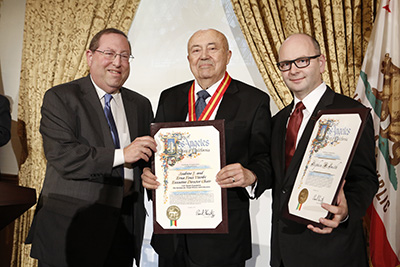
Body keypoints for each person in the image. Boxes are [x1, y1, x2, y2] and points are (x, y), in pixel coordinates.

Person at [25, 28, 157, 267]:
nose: (117, 62)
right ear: (90, 56)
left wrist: (148, 171)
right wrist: (122, 154)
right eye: (109, 53)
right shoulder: (61, 98)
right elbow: (63, 156)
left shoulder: (141, 104)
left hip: (124, 227)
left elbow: (144, 156)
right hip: (72, 228)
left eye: (125, 55)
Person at [141, 29, 272, 267]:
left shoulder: (254, 100)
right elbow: (157, 154)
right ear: (189, 58)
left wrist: (251, 175)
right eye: (196, 50)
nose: (204, 56)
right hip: (172, 233)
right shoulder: (169, 97)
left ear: (228, 55)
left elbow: (265, 159)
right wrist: (149, 173)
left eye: (212, 48)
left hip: (223, 239)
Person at [270, 33, 379, 266]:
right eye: (285, 64)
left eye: (302, 61)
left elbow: (366, 179)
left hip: (332, 251)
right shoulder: (278, 121)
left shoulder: (351, 113)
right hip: (283, 253)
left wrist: (346, 210)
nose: (293, 70)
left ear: (321, 62)